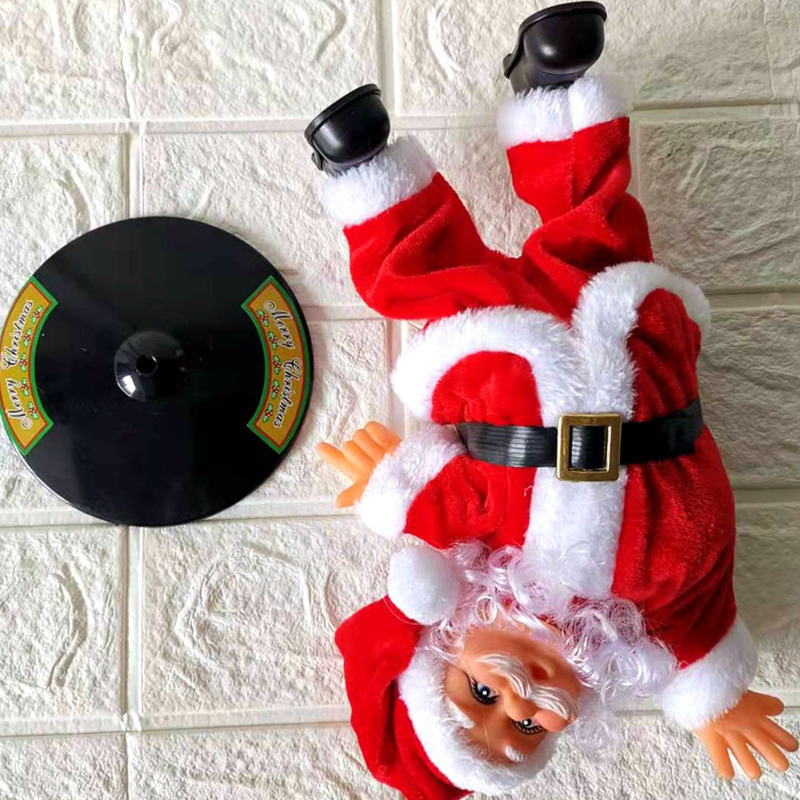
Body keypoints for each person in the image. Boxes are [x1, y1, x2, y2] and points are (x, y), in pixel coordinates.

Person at [308, 2, 798, 796]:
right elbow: (703, 620)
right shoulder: (656, 614)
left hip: (502, 369)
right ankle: (554, 90)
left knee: (433, 281)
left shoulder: (489, 551)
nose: (520, 697)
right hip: (627, 353)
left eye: (481, 696)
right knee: (598, 227)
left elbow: (437, 495)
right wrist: (716, 702)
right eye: (529, 728)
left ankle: (366, 170)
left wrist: (389, 485)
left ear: (447, 646)